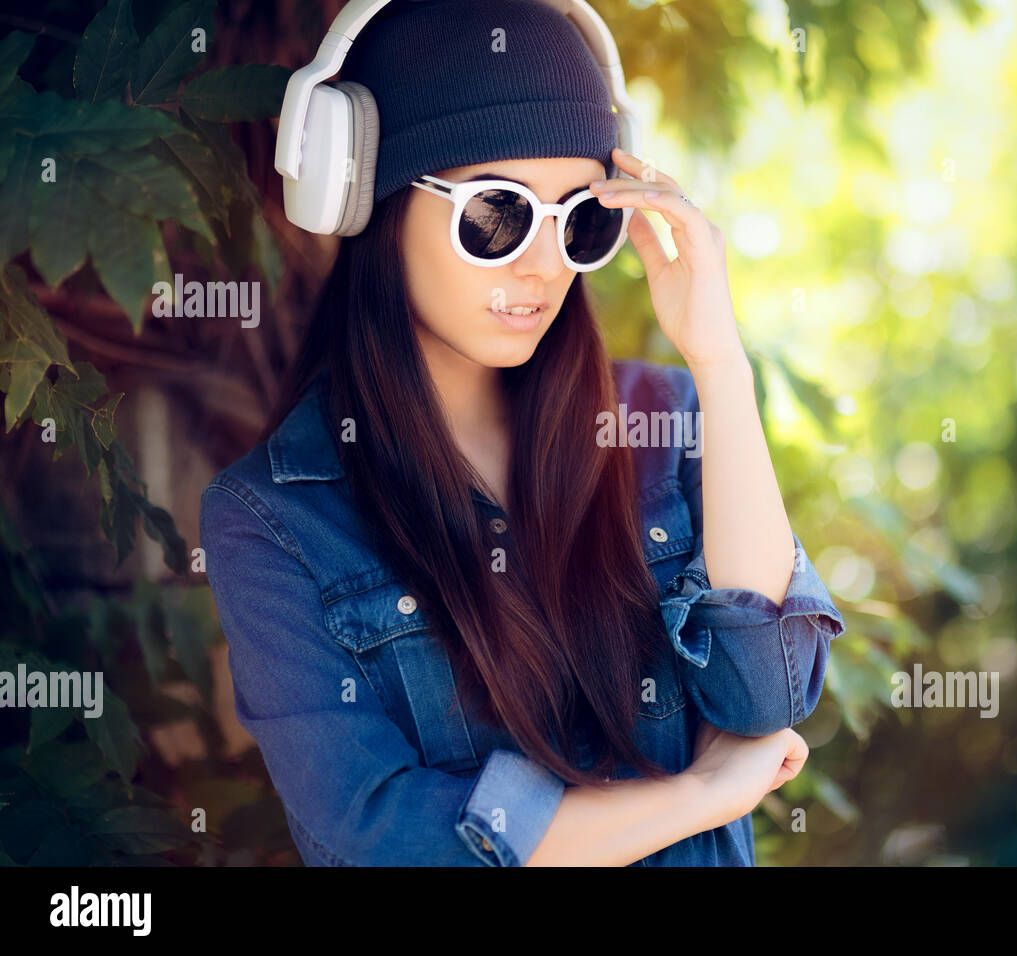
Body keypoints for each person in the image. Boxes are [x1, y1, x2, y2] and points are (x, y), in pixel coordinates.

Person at [199, 0, 845, 867]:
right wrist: (698, 797)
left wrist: (720, 359)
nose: (542, 265)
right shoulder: (273, 520)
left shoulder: (669, 419)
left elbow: (762, 694)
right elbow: (380, 835)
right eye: (497, 215)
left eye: (580, 219)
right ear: (370, 201)